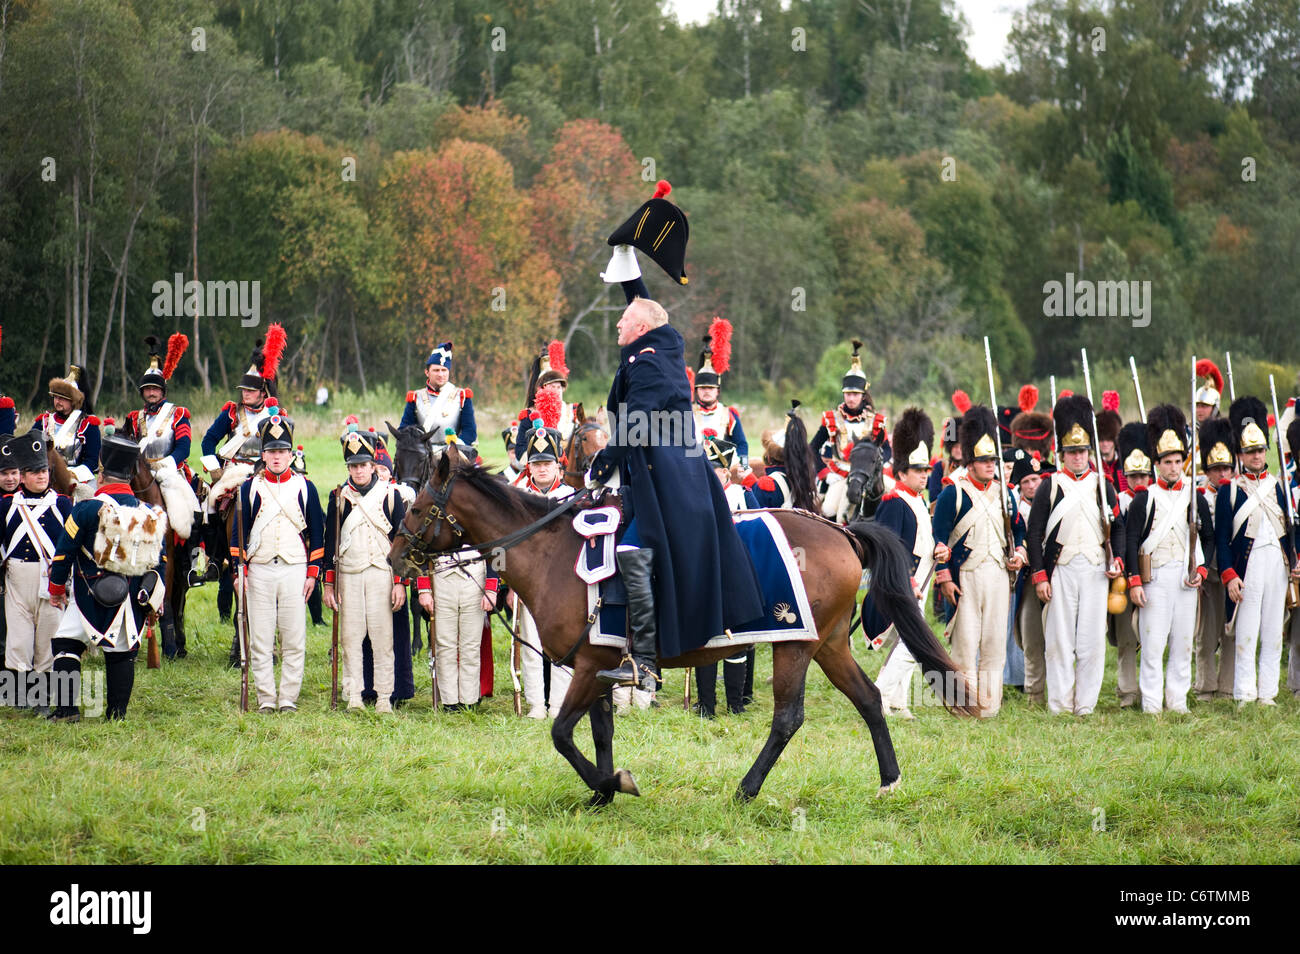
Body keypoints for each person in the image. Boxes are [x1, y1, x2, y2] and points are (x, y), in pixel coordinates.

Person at [587, 181, 765, 692]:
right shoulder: (658, 344)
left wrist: (601, 464)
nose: (618, 325)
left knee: (630, 551)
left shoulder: (649, 365)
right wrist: (626, 251)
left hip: (672, 484)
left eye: (623, 322)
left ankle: (643, 662)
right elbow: (640, 302)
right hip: (660, 475)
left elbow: (636, 424)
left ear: (640, 330)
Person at [47, 434, 166, 721]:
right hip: (131, 599)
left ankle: (66, 711)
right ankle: (117, 715)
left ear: (101, 475)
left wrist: (55, 588)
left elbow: (64, 553)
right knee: (122, 652)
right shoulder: (149, 513)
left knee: (66, 642)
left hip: (88, 595)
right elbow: (158, 563)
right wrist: (153, 603)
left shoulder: (86, 509)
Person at [1027, 394, 1126, 717]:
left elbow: (1119, 527)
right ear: (1063, 454)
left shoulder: (1103, 486)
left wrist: (1118, 560)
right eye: (1072, 452)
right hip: (1062, 570)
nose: (1078, 457)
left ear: (1089, 452)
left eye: (1082, 451)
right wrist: (1040, 575)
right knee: (1059, 641)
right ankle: (1058, 704)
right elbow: (1035, 533)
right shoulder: (1050, 486)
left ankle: (1085, 705)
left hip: (1097, 569)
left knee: (1092, 642)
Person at [931, 405, 1026, 716]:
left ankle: (989, 707)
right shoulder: (953, 494)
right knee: (965, 647)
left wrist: (1020, 553)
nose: (991, 465)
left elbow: (1019, 531)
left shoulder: (1006, 494)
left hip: (999, 577)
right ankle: (964, 707)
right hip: (966, 579)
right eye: (985, 460)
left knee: (995, 646)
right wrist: (944, 576)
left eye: (993, 460)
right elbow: (939, 538)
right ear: (971, 461)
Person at [1125, 405, 1214, 714]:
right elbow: (1132, 541)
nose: (1174, 468)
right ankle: (1151, 703)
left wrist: (1201, 570)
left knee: (1183, 643)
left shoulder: (1195, 496)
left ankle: (1177, 701)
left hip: (1186, 578)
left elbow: (1209, 538)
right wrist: (1134, 581)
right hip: (1156, 578)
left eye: (1178, 461)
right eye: (1168, 462)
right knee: (1152, 644)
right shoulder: (1144, 498)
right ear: (1157, 464)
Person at [234, 414, 324, 713]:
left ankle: (287, 698)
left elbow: (317, 532)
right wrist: (241, 571)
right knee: (260, 640)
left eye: (282, 451)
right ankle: (266, 699)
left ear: (290, 454)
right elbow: (240, 533)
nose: (276, 457)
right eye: (271, 451)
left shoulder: (305, 487)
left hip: (295, 569)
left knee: (294, 639)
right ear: (263, 454)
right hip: (259, 569)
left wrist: (313, 574)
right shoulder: (248, 489)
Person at [121, 334, 202, 659]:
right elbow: (126, 445)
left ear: (163, 392)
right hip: (137, 473)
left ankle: (194, 557)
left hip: (169, 469)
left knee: (191, 506)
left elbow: (183, 445)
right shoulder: (133, 417)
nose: (151, 393)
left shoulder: (177, 414)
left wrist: (168, 463)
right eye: (147, 390)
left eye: (155, 389)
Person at [1215, 396, 1297, 708]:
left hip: (1276, 563)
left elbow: (1288, 527)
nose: (1257, 455)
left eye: (1261, 450)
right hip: (1246, 568)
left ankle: (1268, 694)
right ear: (1240, 454)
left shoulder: (1278, 486)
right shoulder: (1230, 489)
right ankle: (1245, 694)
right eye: (1250, 451)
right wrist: (1229, 574)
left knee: (1274, 631)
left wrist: (1293, 560)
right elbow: (1222, 539)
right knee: (1246, 633)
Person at [322, 425, 406, 714]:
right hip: (349, 573)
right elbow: (330, 543)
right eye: (353, 466)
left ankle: (384, 696)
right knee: (350, 638)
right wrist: (329, 584)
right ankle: (354, 694)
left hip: (381, 574)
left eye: (363, 465)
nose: (358, 471)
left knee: (383, 638)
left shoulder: (391, 496)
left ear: (373, 465)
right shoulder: (339, 497)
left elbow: (400, 541)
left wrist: (399, 583)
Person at [866, 408, 936, 719]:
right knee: (911, 646)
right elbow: (889, 547)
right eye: (918, 470)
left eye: (926, 470)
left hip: (920, 580)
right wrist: (906, 580)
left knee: (904, 643)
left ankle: (897, 701)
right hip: (901, 584)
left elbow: (920, 542)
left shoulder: (918, 500)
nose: (924, 474)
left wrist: (939, 552)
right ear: (903, 472)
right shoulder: (894, 501)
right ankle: (878, 693)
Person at [1, 431, 72, 713]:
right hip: (17, 581)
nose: (40, 476)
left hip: (50, 580)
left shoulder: (63, 504)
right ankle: (19, 696)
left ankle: (42, 699)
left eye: (43, 470)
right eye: (33, 471)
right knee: (18, 640)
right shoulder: (7, 506)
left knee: (48, 638)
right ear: (22, 476)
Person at [692, 428, 758, 719]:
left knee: (735, 640)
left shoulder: (742, 496)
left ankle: (736, 703)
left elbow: (758, 530)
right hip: (704, 574)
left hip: (736, 574)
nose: (711, 475)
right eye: (707, 469)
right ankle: (706, 704)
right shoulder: (694, 496)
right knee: (706, 637)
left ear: (726, 474)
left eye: (716, 470)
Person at [511, 423, 575, 718]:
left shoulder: (572, 496)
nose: (542, 469)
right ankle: (536, 704)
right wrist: (508, 584)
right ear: (529, 466)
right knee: (532, 645)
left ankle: (560, 704)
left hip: (563, 584)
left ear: (558, 465)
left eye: (547, 462)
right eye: (536, 463)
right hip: (528, 583)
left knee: (562, 646)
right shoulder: (516, 496)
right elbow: (501, 544)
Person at [811, 340, 891, 521]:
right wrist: (824, 472)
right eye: (848, 394)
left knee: (893, 499)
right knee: (829, 510)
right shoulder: (831, 419)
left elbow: (887, 449)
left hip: (869, 474)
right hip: (839, 473)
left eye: (855, 394)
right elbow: (812, 447)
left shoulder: (876, 421)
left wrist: (878, 467)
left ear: (863, 395)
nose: (851, 398)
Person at [1111, 421, 1153, 708]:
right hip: (1126, 575)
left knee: (1152, 635)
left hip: (1155, 574)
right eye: (1134, 476)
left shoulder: (1157, 499)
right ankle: (1127, 691)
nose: (1139, 481)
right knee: (1127, 636)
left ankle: (1151, 690)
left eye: (1143, 475)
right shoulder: (1119, 501)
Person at [1194, 417, 1235, 700]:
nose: (1221, 474)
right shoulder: (1197, 495)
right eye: (1216, 469)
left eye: (1226, 468)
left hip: (1234, 570)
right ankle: (1205, 686)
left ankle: (1228, 686)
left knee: (1231, 632)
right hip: (1209, 571)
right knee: (1207, 635)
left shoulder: (1238, 493)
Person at [1009, 448, 1051, 705]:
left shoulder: (1055, 501)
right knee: (1031, 638)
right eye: (1026, 481)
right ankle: (1035, 694)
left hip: (1055, 576)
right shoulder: (1015, 511)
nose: (1032, 485)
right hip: (1027, 581)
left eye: (1035, 480)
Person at [37, 364, 101, 498]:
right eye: (55, 397)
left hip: (76, 477)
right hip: (43, 475)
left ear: (74, 401)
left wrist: (69, 475)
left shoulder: (88, 424)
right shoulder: (43, 421)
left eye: (63, 398)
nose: (58, 401)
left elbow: (92, 460)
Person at [399, 342, 477, 449]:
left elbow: (470, 431)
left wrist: (455, 446)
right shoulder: (415, 397)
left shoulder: (462, 396)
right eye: (436, 370)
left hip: (454, 451)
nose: (441, 374)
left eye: (444, 370)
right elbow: (404, 429)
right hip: (423, 453)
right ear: (427, 372)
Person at [692, 318, 749, 464]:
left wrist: (743, 463)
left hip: (722, 469)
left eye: (711, 388)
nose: (707, 391)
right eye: (703, 388)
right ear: (696, 390)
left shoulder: (728, 414)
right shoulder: (686, 412)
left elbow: (741, 444)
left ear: (717, 391)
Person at [1095, 390, 1124, 493]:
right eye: (1101, 440)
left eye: (1108, 439)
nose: (1105, 444)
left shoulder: (1124, 462)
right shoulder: (1093, 464)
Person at [1194, 360, 1225, 424]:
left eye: (1204, 406)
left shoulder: (1223, 431)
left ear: (1214, 407)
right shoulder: (1189, 430)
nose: (1199, 410)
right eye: (1197, 406)